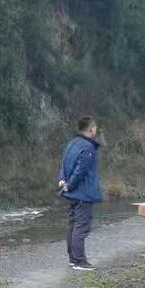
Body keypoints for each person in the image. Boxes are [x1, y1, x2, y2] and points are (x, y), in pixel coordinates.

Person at [58, 116, 102, 271]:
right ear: (90, 129)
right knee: (80, 227)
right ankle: (79, 261)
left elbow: (63, 164)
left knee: (72, 225)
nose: (96, 130)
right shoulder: (88, 147)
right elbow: (81, 170)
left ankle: (73, 258)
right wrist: (70, 184)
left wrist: (62, 180)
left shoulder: (71, 144)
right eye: (95, 127)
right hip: (82, 193)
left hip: (71, 193)